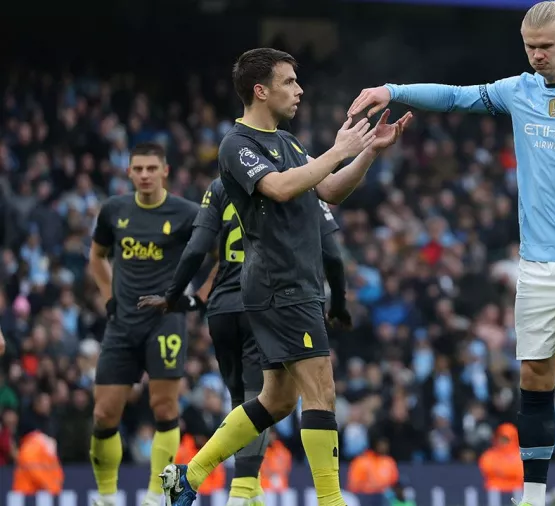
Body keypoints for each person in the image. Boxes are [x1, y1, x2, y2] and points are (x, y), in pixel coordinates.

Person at [347, 2, 555, 505]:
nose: (536, 57)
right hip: (537, 264)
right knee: (534, 376)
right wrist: (391, 91)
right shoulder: (520, 91)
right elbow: (456, 98)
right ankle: (532, 496)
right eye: (529, 48)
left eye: (546, 47)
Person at [161, 47, 411, 506]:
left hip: (293, 284)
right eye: (289, 82)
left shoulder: (289, 143)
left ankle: (188, 475)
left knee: (276, 400)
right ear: (261, 90)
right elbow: (276, 188)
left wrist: (368, 153)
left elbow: (329, 190)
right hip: (280, 284)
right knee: (322, 390)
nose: (299, 90)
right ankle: (331, 501)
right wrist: (338, 149)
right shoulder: (238, 144)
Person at [139, 178, 350, 506]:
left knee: (270, 400)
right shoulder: (297, 179)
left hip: (227, 305)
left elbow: (198, 248)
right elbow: (332, 255)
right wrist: (338, 303)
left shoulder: (220, 187)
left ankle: (192, 477)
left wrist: (174, 296)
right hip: (283, 297)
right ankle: (252, 492)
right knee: (316, 393)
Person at [88, 142, 202, 506]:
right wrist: (108, 296)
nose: (145, 175)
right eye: (138, 169)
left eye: (152, 168)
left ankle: (158, 495)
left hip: (164, 322)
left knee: (165, 409)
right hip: (122, 324)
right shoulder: (114, 210)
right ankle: (106, 496)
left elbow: (222, 253)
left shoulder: (186, 213)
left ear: (165, 171)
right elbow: (97, 256)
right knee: (104, 412)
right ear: (129, 172)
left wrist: (197, 299)